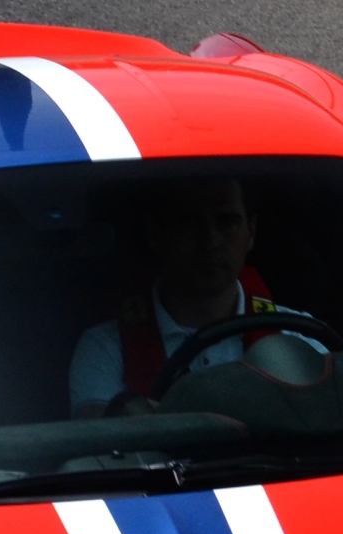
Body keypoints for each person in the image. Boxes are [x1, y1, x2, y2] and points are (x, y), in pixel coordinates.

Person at [69, 177, 303, 416]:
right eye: (189, 222)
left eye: (227, 222)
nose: (210, 242)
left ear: (251, 232)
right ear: (156, 233)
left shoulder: (298, 337)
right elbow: (100, 439)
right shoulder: (105, 346)